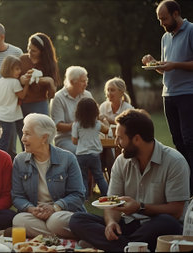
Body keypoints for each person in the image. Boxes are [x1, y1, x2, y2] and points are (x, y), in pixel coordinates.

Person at [69, 109, 190, 252]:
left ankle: (114, 246)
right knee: (77, 219)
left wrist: (140, 207)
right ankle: (130, 246)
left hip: (156, 225)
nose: (116, 143)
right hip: (127, 225)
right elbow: (111, 203)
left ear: (137, 139)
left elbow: (176, 211)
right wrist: (111, 223)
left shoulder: (174, 162)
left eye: (120, 138)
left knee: (168, 223)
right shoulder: (121, 161)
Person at [141, 0, 193, 194]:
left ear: (176, 13)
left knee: (190, 141)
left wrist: (175, 65)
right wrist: (155, 63)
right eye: (159, 19)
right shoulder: (165, 37)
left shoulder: (191, 31)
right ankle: (184, 185)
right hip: (168, 95)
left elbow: (175, 65)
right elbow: (165, 69)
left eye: (164, 18)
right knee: (177, 141)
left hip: (188, 93)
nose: (161, 22)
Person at [12, 113, 85, 238]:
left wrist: (55, 207)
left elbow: (78, 195)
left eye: (28, 134)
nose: (23, 138)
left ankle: (50, 234)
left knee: (55, 221)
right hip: (35, 215)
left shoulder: (67, 159)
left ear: (44, 138)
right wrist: (31, 209)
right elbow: (17, 196)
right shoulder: (20, 160)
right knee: (19, 220)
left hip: (61, 213)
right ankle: (68, 235)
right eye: (23, 133)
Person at [16, 32, 61, 148]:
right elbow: (13, 81)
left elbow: (51, 95)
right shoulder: (22, 60)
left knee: (42, 135)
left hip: (39, 104)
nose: (30, 52)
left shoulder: (49, 64)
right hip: (21, 104)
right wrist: (21, 79)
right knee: (25, 138)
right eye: (28, 49)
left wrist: (49, 82)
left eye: (34, 50)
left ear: (42, 51)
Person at [0, 55, 29, 159]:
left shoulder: (0, 81)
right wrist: (27, 85)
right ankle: (3, 161)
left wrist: (1, 99)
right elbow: (22, 95)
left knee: (0, 140)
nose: (19, 71)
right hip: (8, 116)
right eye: (16, 69)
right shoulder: (14, 82)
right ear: (8, 69)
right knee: (5, 142)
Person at [72, 97, 109, 198]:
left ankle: (85, 196)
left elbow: (74, 141)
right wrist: (105, 121)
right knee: (99, 176)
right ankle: (106, 194)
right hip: (94, 154)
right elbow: (107, 131)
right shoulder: (97, 124)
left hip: (81, 154)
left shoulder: (76, 125)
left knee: (83, 177)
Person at [50, 66, 93, 154]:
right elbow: (58, 126)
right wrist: (78, 125)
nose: (85, 84)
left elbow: (95, 117)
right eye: (82, 81)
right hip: (66, 139)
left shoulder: (87, 95)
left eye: (86, 81)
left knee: (106, 150)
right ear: (72, 82)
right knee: (82, 152)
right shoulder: (58, 98)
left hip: (87, 137)